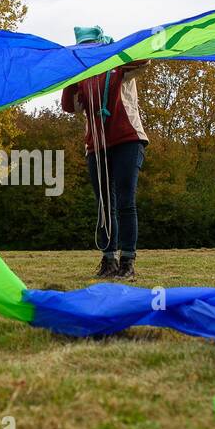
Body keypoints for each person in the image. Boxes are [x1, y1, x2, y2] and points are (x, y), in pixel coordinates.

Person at [61, 26, 148, 282]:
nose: (87, 51)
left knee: (125, 202)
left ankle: (128, 262)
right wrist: (71, 77)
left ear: (100, 45)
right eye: (82, 48)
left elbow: (144, 61)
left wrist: (116, 52)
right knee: (104, 206)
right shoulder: (84, 77)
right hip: (97, 146)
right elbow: (70, 107)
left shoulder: (119, 66)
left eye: (91, 46)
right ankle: (108, 260)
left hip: (128, 140)